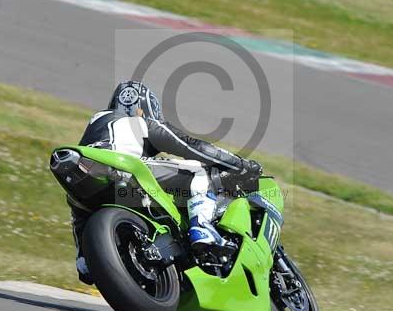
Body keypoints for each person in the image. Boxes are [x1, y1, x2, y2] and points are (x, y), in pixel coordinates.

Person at [70, 81, 262, 284]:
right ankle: (202, 227)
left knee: (80, 207)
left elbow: (79, 216)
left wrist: (87, 255)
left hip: (83, 169)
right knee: (198, 170)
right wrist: (239, 165)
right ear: (144, 108)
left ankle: (84, 259)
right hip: (123, 166)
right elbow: (193, 147)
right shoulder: (141, 122)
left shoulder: (97, 124)